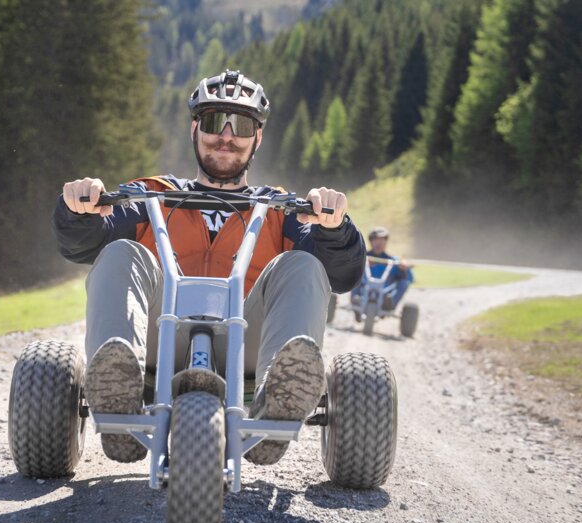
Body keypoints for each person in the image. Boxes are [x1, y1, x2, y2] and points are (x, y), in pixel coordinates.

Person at [52, 69, 365, 466]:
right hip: (158, 340)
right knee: (120, 252)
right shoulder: (152, 195)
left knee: (303, 264)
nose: (227, 136)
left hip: (247, 346)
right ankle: (117, 396)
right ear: (195, 129)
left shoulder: (281, 208)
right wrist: (79, 209)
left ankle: (276, 405)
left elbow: (340, 276)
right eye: (215, 121)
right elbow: (84, 244)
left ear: (257, 138)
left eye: (243, 126)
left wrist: (334, 228)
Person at [351, 226, 413, 310]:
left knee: (404, 282)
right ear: (370, 241)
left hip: (385, 293)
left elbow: (410, 279)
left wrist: (405, 269)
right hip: (363, 289)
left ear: (386, 242)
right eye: (376, 240)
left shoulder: (394, 261)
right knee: (355, 275)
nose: (379, 243)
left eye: (382, 240)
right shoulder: (361, 256)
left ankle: (391, 303)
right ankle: (356, 298)